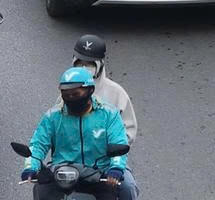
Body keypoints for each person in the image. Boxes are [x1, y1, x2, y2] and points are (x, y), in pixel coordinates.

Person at [22, 67, 135, 200]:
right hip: (63, 172)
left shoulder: (109, 114)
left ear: (90, 90)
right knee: (41, 190)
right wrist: (31, 167)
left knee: (128, 187)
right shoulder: (52, 117)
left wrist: (115, 168)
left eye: (75, 94)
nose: (70, 98)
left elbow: (118, 142)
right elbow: (38, 144)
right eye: (66, 95)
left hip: (101, 172)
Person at [68, 36, 140, 144]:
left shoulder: (117, 93)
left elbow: (129, 130)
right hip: (72, 156)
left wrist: (111, 146)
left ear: (100, 65)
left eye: (89, 64)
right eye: (80, 63)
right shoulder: (68, 91)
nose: (83, 69)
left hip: (104, 157)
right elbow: (53, 124)